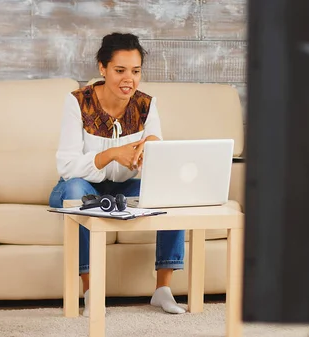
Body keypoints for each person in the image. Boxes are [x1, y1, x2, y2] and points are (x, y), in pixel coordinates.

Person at [48, 32, 186, 317]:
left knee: (170, 193)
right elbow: (67, 166)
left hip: (121, 191)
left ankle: (163, 289)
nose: (129, 79)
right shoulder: (78, 103)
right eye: (119, 70)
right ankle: (91, 290)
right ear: (102, 68)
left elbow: (155, 152)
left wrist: (151, 154)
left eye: (135, 72)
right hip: (79, 188)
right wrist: (112, 154)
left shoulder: (146, 105)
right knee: (77, 191)